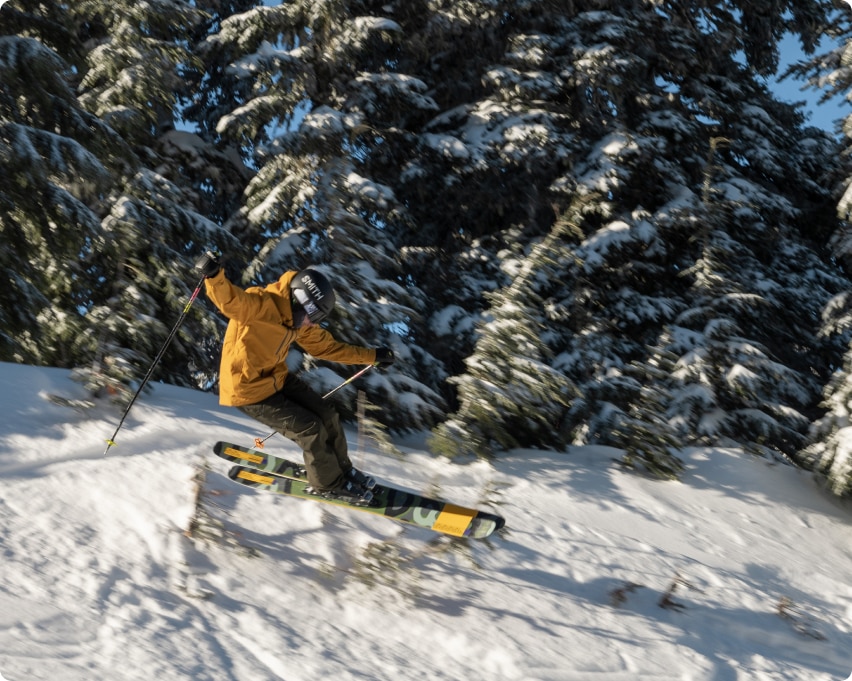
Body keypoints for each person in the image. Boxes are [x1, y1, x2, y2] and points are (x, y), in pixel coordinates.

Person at [194, 250, 394, 502]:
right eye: (313, 316)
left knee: (327, 416)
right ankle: (328, 484)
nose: (313, 323)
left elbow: (328, 347)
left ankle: (343, 470)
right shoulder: (260, 305)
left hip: (276, 378)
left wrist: (372, 356)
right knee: (310, 428)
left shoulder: (297, 322)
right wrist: (213, 275)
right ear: (299, 302)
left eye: (318, 318)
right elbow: (231, 301)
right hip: (247, 390)